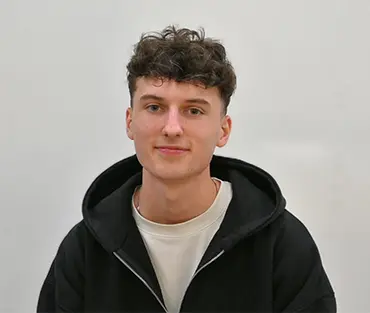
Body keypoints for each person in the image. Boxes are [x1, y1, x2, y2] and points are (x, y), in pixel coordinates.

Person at [37, 25, 336, 313]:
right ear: (130, 122)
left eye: (194, 110)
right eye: (154, 107)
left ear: (223, 130)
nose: (172, 128)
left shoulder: (282, 245)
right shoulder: (84, 251)